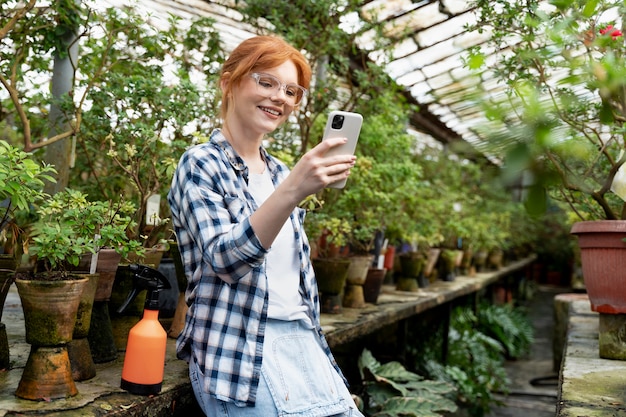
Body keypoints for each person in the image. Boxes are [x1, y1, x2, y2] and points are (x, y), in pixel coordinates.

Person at [167, 35, 364, 416]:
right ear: (229, 81)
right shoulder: (202, 164)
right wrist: (293, 190)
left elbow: (294, 278)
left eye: (291, 90)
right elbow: (226, 261)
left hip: (302, 341)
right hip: (239, 352)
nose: (281, 98)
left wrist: (291, 184)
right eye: (266, 82)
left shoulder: (279, 172)